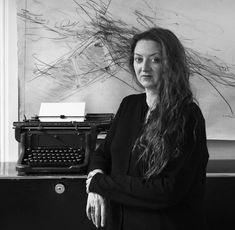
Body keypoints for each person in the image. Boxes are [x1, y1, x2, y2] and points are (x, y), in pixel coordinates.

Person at [85, 27, 209, 230]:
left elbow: (165, 190)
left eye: (155, 60)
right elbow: (103, 153)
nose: (144, 68)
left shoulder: (188, 116)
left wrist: (100, 184)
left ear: (172, 65)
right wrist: (94, 180)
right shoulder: (129, 105)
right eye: (138, 59)